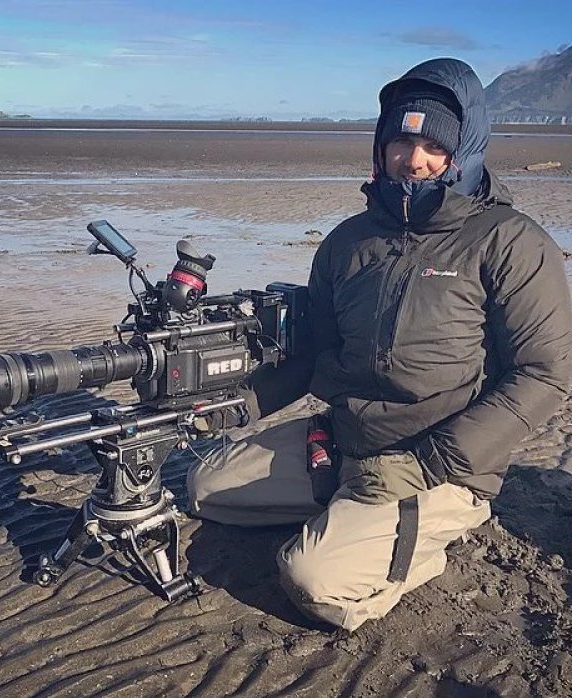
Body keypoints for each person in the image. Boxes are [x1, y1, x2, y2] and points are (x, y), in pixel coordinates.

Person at [187, 58, 572, 632]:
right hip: (349, 438)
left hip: (440, 461)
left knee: (315, 581)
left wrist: (427, 463)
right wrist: (233, 406)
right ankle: (352, 506)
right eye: (400, 139)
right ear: (380, 146)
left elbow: (544, 375)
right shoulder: (347, 241)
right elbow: (312, 352)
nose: (413, 158)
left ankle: (427, 531)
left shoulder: (509, 241)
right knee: (207, 487)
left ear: (462, 151)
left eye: (432, 144)